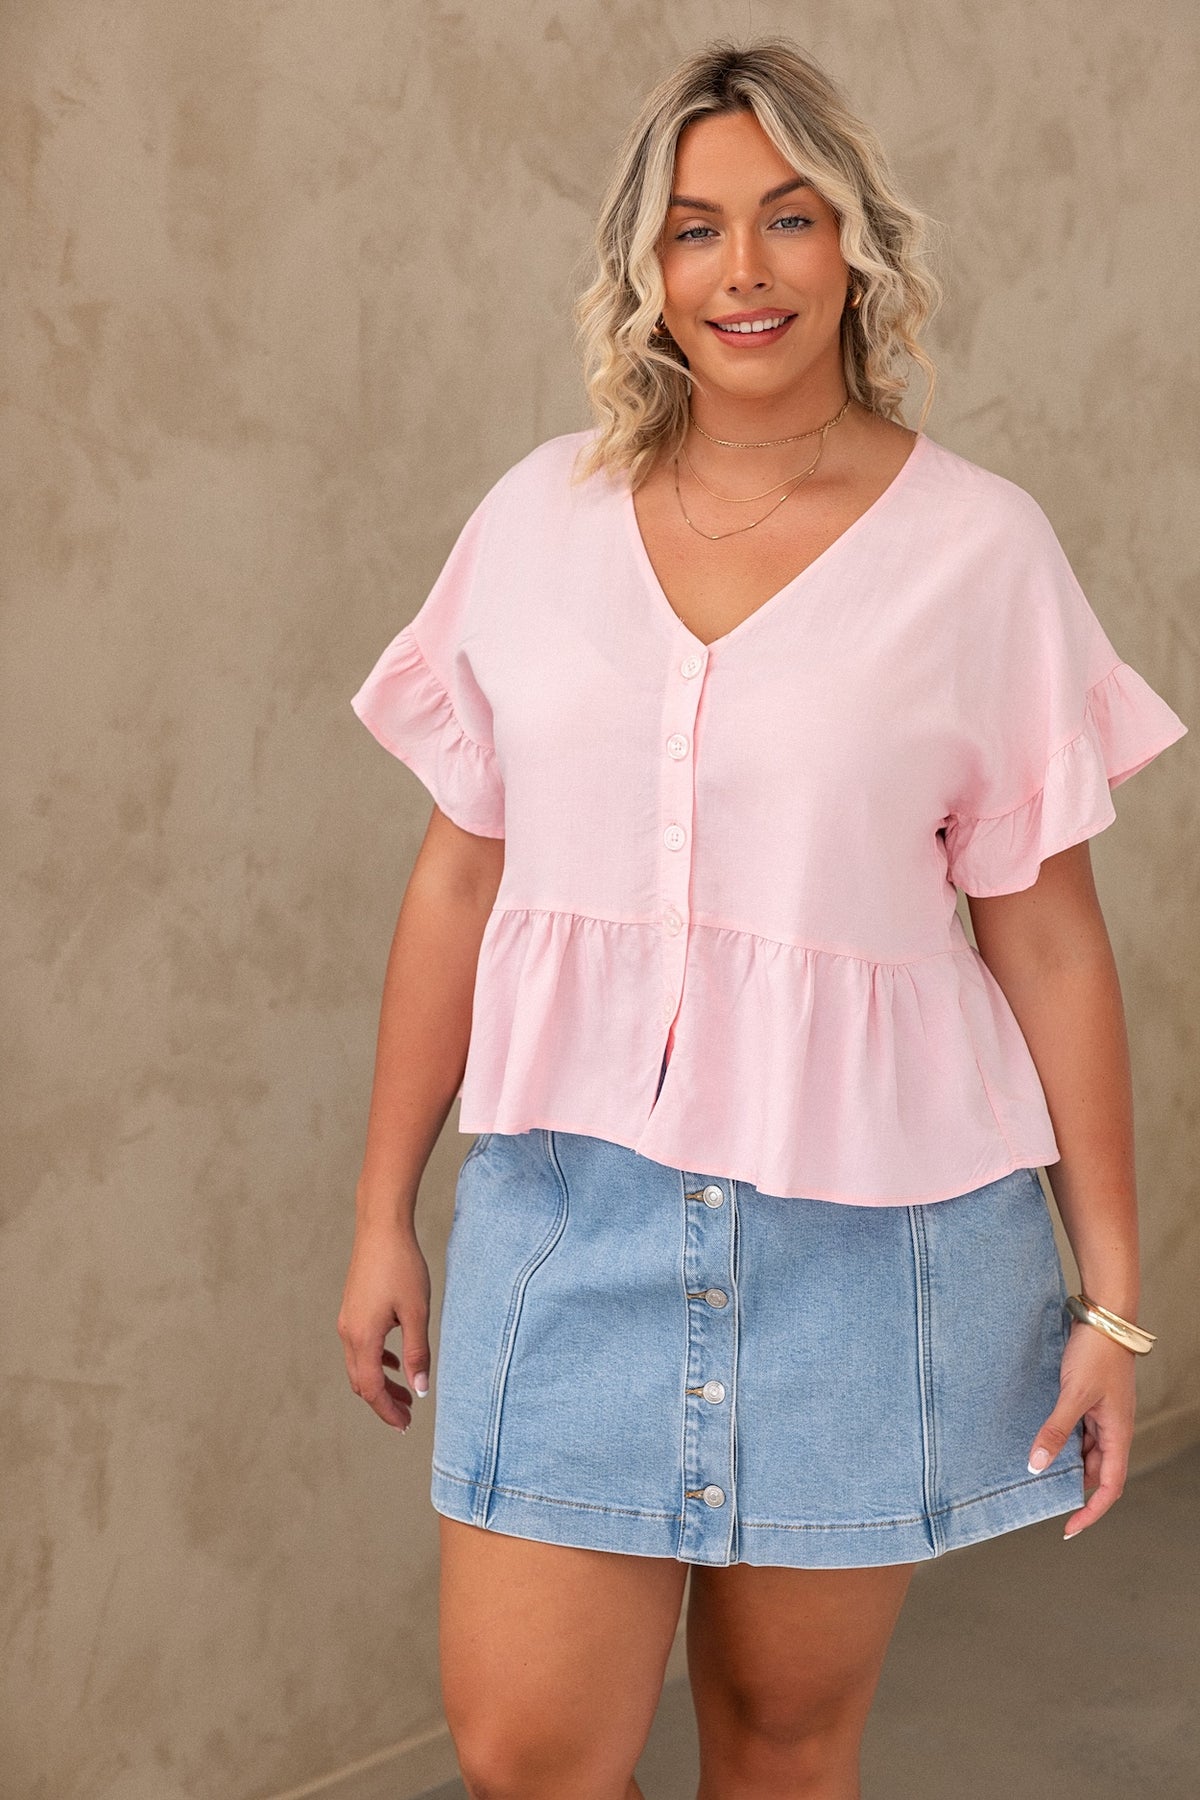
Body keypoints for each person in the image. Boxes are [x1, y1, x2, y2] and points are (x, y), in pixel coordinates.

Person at [337, 36, 1186, 1800]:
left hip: (865, 1246)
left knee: (786, 1751)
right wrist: (380, 1211)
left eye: (789, 219)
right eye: (696, 226)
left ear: (855, 247)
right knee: (526, 1754)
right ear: (645, 267)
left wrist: (1112, 1301)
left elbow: (1047, 941)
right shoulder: (536, 519)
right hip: (567, 1219)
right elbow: (461, 875)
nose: (745, 269)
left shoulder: (981, 550)